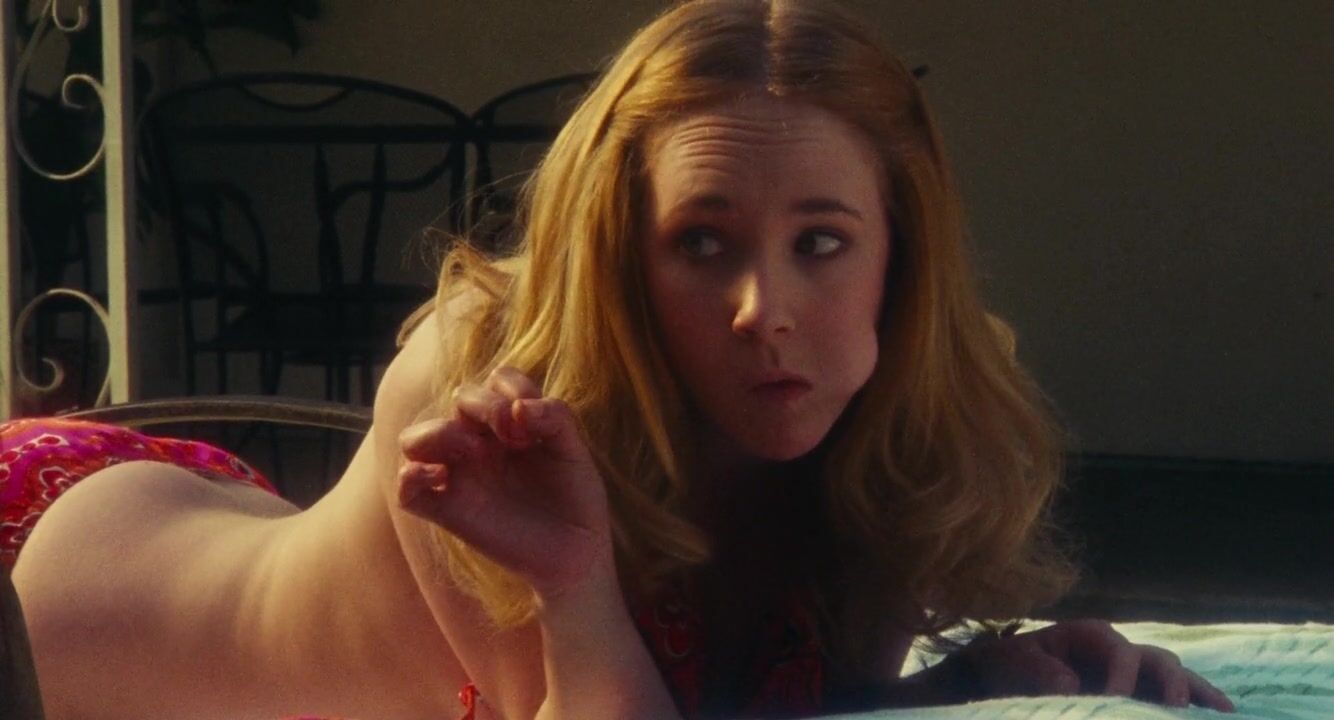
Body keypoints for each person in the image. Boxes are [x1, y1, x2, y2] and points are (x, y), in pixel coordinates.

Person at [7, 1, 1236, 718]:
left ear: (898, 260)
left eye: (820, 242)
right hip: (47, 577)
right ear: (617, 257)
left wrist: (978, 682)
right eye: (700, 243)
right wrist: (577, 583)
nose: (765, 310)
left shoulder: (877, 423)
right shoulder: (487, 386)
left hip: (207, 513)